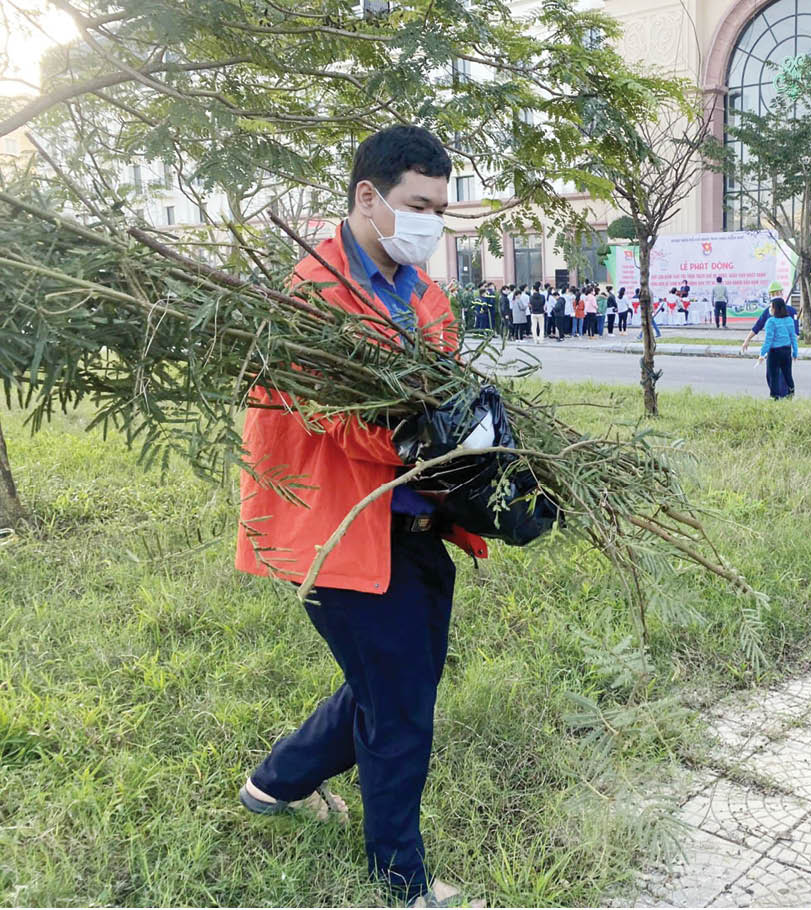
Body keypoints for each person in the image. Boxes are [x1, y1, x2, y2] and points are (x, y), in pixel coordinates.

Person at [234, 125, 485, 908]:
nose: (431, 225)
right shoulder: (309, 297)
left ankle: (276, 784)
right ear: (367, 197)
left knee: (393, 685)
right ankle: (403, 884)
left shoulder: (426, 295)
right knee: (401, 708)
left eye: (442, 209)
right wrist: (424, 435)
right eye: (419, 205)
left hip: (417, 527)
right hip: (339, 531)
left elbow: (449, 392)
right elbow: (329, 416)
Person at [740, 280, 798, 354]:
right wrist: (794, 349)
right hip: (786, 349)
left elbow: (758, 326)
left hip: (773, 349)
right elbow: (795, 333)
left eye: (773, 294)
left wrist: (747, 340)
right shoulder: (792, 311)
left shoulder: (768, 311)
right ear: (781, 293)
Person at [759, 296, 798, 399]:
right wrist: (795, 352)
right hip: (786, 350)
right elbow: (793, 337)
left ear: (776, 308)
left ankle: (774, 397)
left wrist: (762, 353)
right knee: (787, 373)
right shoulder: (789, 320)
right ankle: (791, 393)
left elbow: (768, 340)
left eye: (771, 307)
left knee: (773, 375)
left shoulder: (771, 322)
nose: (769, 309)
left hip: (775, 352)